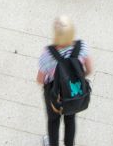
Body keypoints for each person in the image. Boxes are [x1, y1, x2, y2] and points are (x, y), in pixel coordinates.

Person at [37, 16, 93, 146]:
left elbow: (40, 79)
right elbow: (89, 70)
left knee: (53, 121)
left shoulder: (48, 54)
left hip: (54, 96)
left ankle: (52, 143)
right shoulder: (82, 47)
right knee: (70, 119)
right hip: (73, 95)